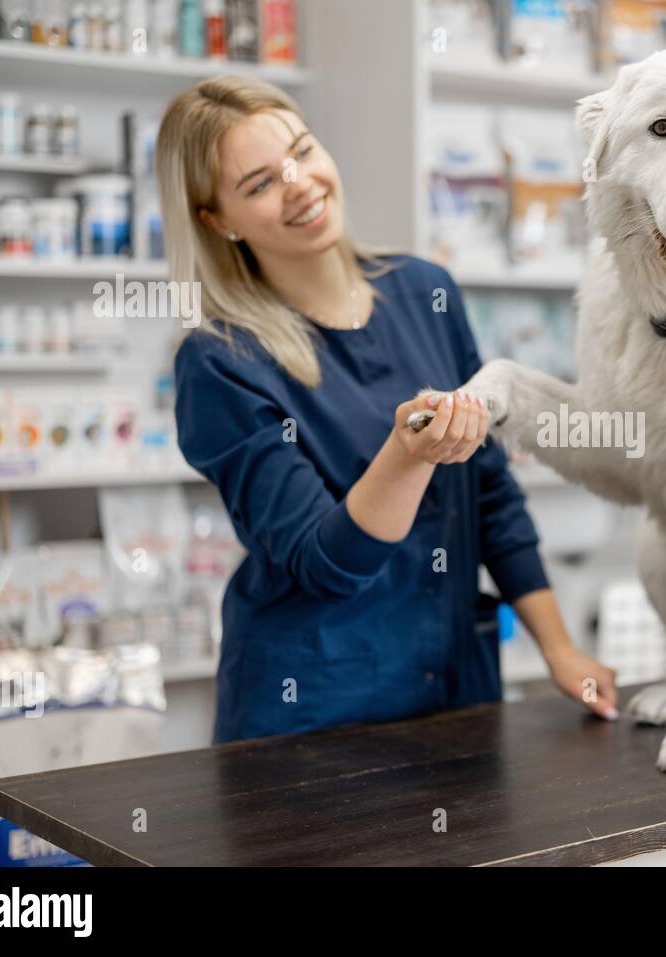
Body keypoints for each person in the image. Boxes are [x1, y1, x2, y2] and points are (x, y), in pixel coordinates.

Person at [155, 75, 618, 743]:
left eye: (304, 152)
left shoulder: (425, 292)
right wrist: (407, 456)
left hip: (455, 691)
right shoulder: (220, 360)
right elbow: (323, 560)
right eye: (259, 185)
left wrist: (557, 646)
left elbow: (491, 493)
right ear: (217, 220)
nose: (301, 185)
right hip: (313, 715)